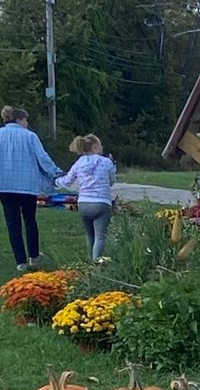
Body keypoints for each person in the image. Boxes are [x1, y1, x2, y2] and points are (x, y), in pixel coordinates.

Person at [0, 105, 61, 272]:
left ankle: (20, 261)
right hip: (27, 185)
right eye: (26, 119)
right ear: (19, 119)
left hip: (4, 186)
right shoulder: (30, 136)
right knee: (30, 220)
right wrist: (56, 172)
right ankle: (33, 256)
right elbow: (42, 157)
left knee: (13, 223)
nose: (27, 123)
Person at [56, 133, 117, 262]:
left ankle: (90, 263)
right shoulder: (106, 162)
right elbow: (111, 182)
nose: (102, 148)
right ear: (95, 147)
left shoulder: (79, 163)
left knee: (90, 236)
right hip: (102, 202)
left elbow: (67, 181)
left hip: (83, 203)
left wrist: (55, 180)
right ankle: (97, 264)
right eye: (100, 145)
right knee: (100, 236)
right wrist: (113, 166)